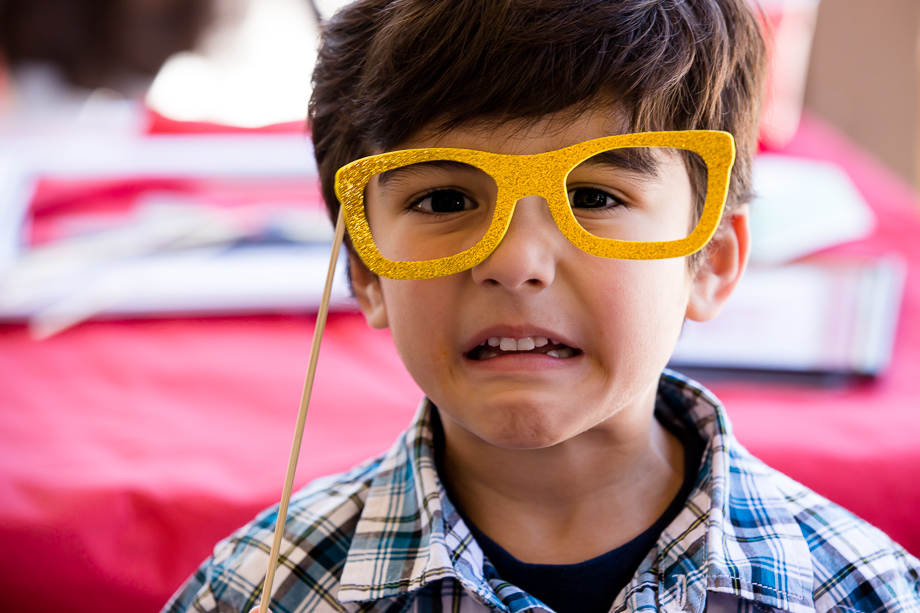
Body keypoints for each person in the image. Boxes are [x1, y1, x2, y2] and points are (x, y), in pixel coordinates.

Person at [163, 0, 920, 611]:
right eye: (446, 200)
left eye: (595, 197)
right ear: (365, 270)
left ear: (711, 261)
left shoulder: (862, 592)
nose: (515, 263)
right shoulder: (257, 592)